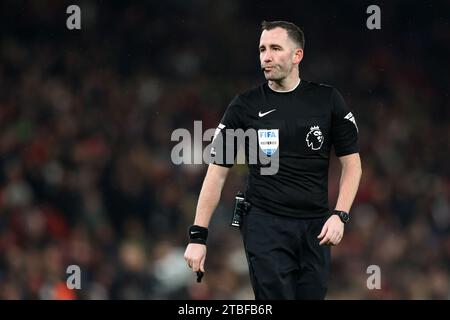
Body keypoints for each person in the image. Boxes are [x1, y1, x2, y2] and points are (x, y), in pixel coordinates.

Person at [184, 20, 362, 300]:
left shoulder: (327, 100)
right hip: (264, 224)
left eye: (275, 48)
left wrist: (339, 215)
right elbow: (217, 173)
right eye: (262, 49)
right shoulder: (245, 106)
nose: (266, 57)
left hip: (315, 226)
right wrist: (198, 236)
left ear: (297, 55)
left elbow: (352, 165)